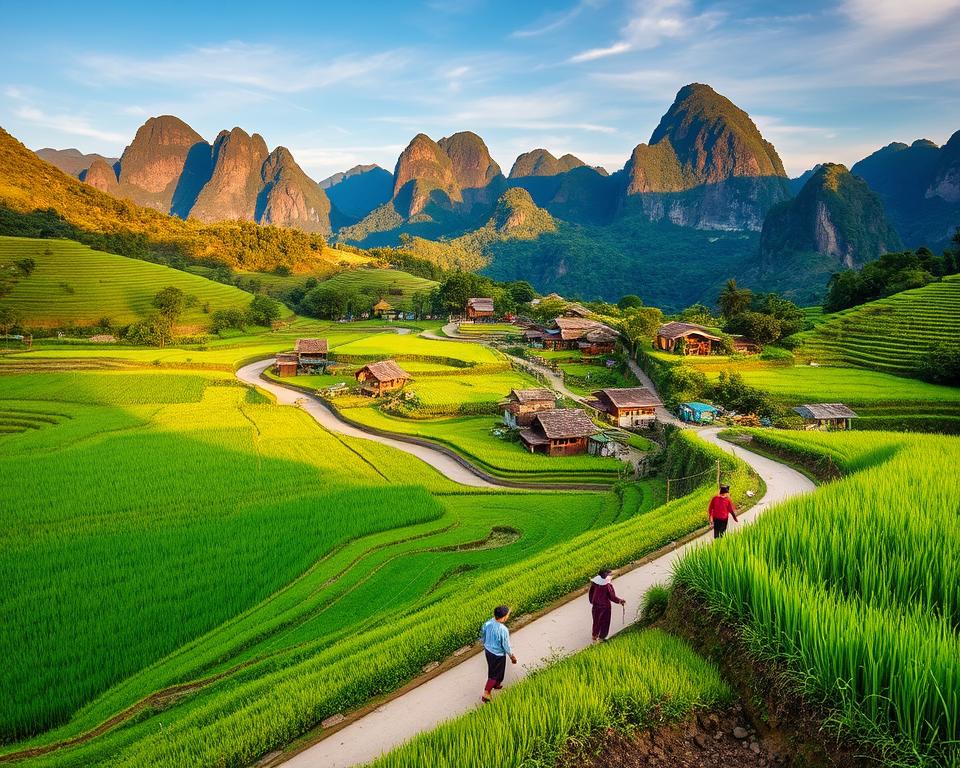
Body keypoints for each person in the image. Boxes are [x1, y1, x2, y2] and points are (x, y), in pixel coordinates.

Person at [480, 605, 517, 703]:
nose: (508, 617)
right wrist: (512, 656)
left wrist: (484, 643)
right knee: (494, 674)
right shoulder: (503, 629)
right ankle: (486, 693)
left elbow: (482, 634)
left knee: (497, 672)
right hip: (498, 655)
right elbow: (506, 645)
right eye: (507, 615)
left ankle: (496, 684)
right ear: (504, 617)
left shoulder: (488, 623)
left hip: (488, 651)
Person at [588, 569, 626, 643]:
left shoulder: (594, 584)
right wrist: (620, 601)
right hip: (605, 607)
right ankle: (602, 637)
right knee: (605, 622)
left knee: (596, 621)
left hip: (596, 607)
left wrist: (593, 602)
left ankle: (594, 637)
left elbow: (591, 594)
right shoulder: (607, 586)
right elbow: (612, 597)